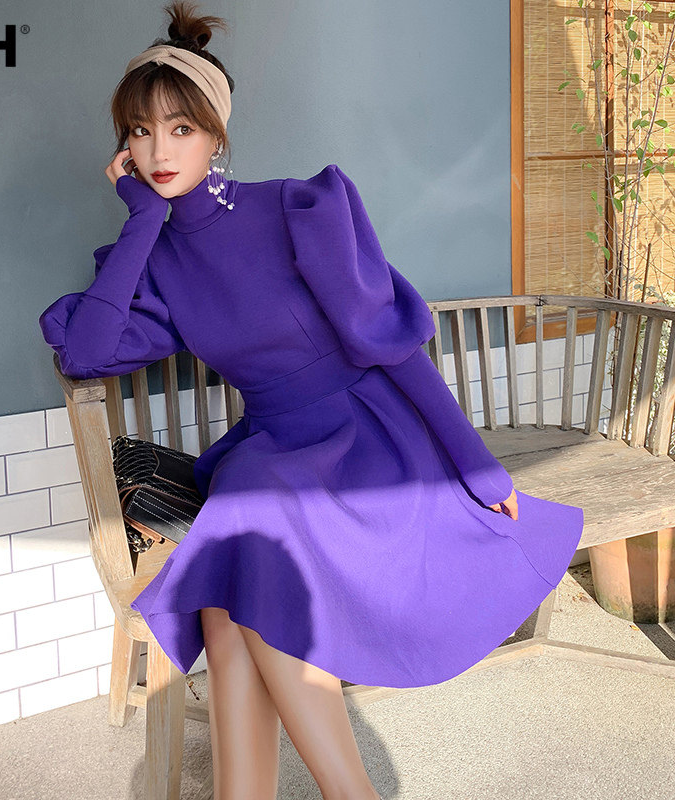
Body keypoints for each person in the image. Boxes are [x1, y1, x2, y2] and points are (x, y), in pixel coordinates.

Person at [38, 3, 584, 798]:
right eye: (140, 132)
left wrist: (478, 467)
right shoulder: (152, 256)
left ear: (217, 135)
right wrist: (143, 221)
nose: (158, 151)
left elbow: (391, 348)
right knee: (235, 575)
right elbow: (87, 351)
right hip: (273, 448)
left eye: (180, 129)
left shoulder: (296, 209)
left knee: (236, 558)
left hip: (366, 439)